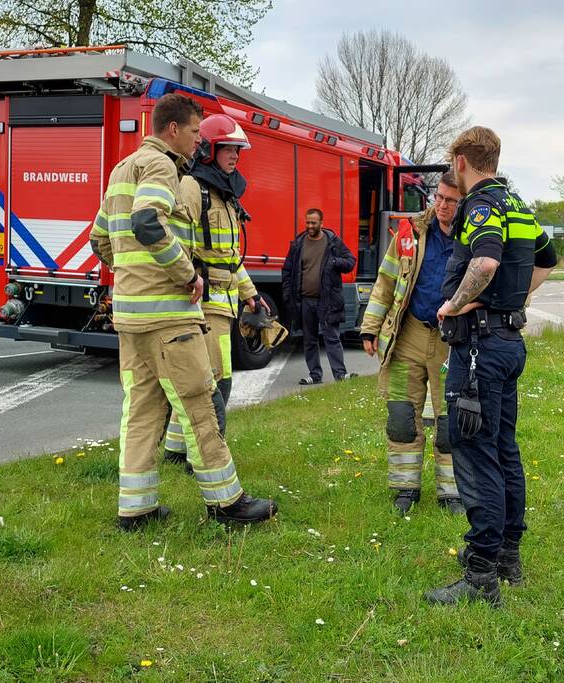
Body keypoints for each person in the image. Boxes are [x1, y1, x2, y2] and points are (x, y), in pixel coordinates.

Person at [89, 93, 276, 531]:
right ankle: (226, 502)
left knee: (142, 411)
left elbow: (100, 239)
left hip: (131, 317)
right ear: (173, 129)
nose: (198, 143)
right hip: (169, 317)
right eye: (195, 132)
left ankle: (135, 509)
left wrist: (130, 275)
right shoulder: (161, 166)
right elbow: (147, 223)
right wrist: (185, 273)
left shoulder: (121, 169)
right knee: (199, 404)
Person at [424, 127, 557, 607]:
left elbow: (483, 264)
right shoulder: (518, 204)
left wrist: (455, 306)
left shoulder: (482, 205)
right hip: (506, 343)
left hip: (478, 348)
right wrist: (515, 301)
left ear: (461, 160)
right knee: (503, 449)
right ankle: (506, 556)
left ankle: (481, 575)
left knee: (476, 454)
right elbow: (549, 257)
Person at [163, 113, 268, 463]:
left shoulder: (224, 195)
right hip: (204, 303)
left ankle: (177, 449)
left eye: (238, 150)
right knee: (215, 381)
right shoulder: (194, 188)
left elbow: (230, 258)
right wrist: (187, 277)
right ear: (210, 150)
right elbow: (178, 238)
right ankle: (207, 453)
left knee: (205, 378)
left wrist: (250, 295)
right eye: (228, 149)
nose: (235, 156)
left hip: (225, 302)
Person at [360, 171, 465, 515]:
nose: (443, 205)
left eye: (452, 200)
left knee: (452, 421)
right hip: (409, 335)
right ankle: (406, 489)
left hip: (453, 340)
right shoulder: (410, 232)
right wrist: (370, 328)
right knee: (402, 415)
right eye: (440, 197)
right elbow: (386, 281)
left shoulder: (476, 237)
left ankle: (452, 493)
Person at [281, 208, 356, 384]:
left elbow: (350, 262)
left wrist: (336, 262)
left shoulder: (333, 242)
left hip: (327, 301)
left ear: (321, 223)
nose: (309, 226)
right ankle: (315, 375)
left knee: (332, 338)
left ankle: (340, 375)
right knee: (309, 339)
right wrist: (287, 294)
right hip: (305, 301)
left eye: (313, 222)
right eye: (307, 222)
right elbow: (287, 270)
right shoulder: (298, 244)